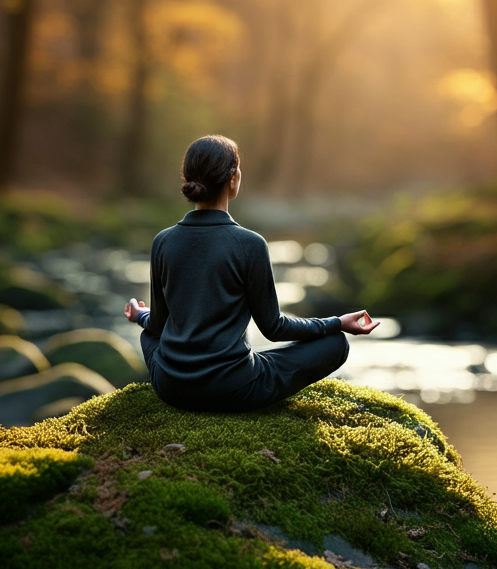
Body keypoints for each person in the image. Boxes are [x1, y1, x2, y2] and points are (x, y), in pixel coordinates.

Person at [124, 134, 379, 412]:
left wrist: (140, 316)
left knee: (147, 336)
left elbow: (158, 327)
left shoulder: (163, 241)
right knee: (334, 344)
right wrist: (337, 323)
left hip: (171, 387)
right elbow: (275, 328)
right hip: (233, 388)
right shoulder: (250, 244)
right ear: (233, 177)